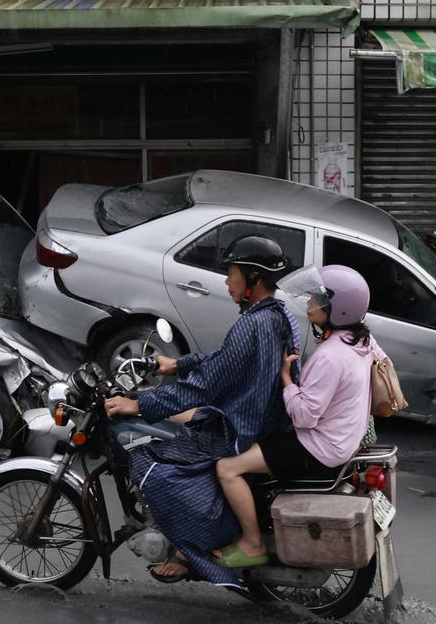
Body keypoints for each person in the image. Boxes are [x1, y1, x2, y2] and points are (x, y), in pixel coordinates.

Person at [103, 234, 298, 587]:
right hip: (264, 420)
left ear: (253, 278)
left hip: (241, 429)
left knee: (154, 463)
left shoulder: (250, 324)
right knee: (181, 426)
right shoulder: (279, 317)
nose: (227, 280)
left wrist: (139, 403)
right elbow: (225, 362)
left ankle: (187, 551)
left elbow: (205, 386)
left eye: (233, 272)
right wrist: (179, 365)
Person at [212, 264, 382, 569]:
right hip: (343, 440)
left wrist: (287, 379)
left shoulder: (330, 355)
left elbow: (304, 416)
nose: (309, 304)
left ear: (338, 310)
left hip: (318, 448)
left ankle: (252, 543)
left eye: (318, 300)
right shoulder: (362, 342)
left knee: (227, 467)